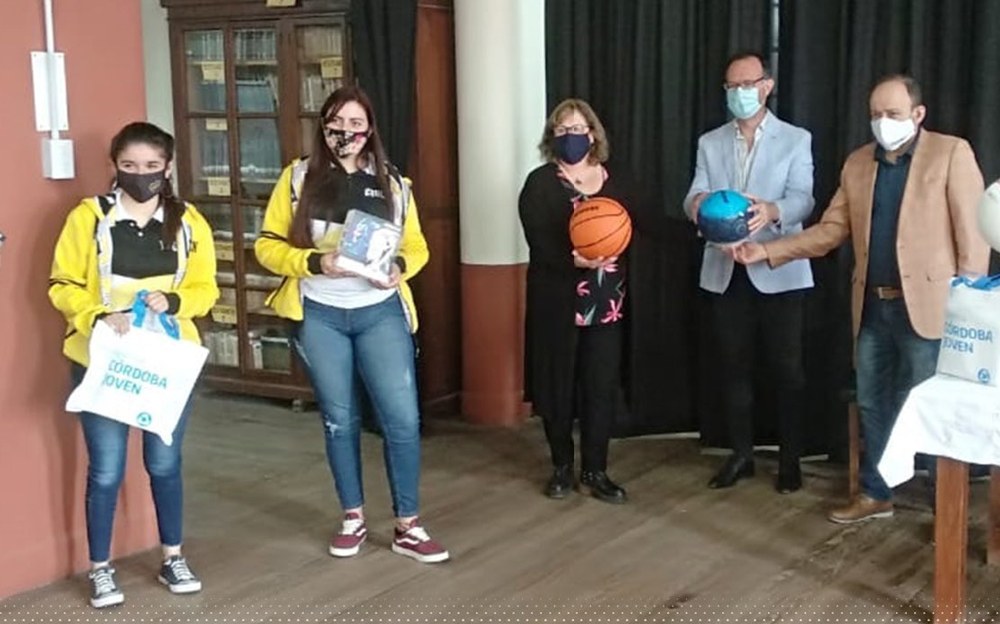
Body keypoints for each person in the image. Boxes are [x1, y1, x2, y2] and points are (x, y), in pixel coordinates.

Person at [733, 74, 990, 522]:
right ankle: (876, 493)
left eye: (893, 113)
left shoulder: (951, 153)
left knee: (933, 411)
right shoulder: (857, 164)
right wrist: (767, 251)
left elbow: (974, 236)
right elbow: (831, 230)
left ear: (918, 114)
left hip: (932, 310)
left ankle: (946, 509)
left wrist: (967, 305)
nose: (882, 122)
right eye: (875, 114)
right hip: (873, 306)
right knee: (873, 401)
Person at [255, 85, 447, 563]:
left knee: (402, 418)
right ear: (323, 126)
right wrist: (314, 263)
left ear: (370, 129)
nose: (346, 132)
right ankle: (353, 517)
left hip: (379, 311)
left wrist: (400, 265)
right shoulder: (297, 178)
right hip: (320, 312)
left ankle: (408, 525)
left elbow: (417, 246)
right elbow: (267, 245)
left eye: (356, 123)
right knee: (339, 419)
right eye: (337, 122)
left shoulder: (393, 183)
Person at [48, 122, 219, 608]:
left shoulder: (189, 222)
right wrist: (98, 316)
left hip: (166, 363)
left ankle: (173, 557)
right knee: (106, 469)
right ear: (115, 167)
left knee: (164, 463)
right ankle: (100, 568)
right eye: (129, 166)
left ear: (167, 168)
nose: (141, 175)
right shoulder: (89, 218)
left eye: (150, 166)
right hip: (103, 361)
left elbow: (207, 288)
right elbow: (62, 283)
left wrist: (176, 301)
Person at [683, 51, 815, 494]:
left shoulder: (795, 139)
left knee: (787, 371)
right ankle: (741, 455)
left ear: (766, 86)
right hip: (725, 269)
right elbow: (693, 194)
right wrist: (701, 209)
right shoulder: (710, 142)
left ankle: (790, 460)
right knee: (732, 367)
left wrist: (772, 211)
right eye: (731, 86)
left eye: (747, 84)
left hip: (778, 268)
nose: (739, 93)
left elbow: (804, 199)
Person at [518, 98, 638, 504]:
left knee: (600, 388)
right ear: (552, 137)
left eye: (578, 129)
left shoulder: (616, 180)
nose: (571, 136)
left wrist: (700, 230)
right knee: (558, 388)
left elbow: (647, 223)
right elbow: (538, 241)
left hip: (607, 303)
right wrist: (573, 260)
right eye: (562, 129)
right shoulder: (540, 183)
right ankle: (561, 467)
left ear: (593, 134)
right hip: (558, 302)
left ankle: (596, 470)